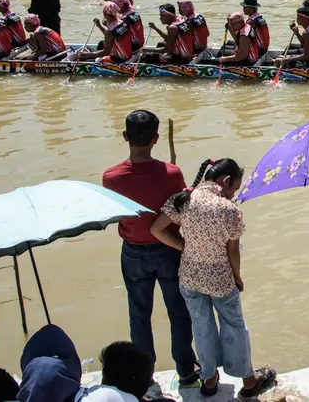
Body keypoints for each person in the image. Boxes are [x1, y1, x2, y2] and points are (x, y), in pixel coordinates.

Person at [151, 158, 277, 398]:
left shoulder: (184, 199)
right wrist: (237, 277)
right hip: (220, 278)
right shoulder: (229, 210)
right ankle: (249, 381)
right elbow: (232, 251)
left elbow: (156, 229)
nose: (233, 195)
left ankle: (209, 381)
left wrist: (181, 246)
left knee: (201, 326)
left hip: (189, 277)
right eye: (234, 188)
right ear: (226, 181)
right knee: (234, 326)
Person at [100, 110, 199, 388]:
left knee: (139, 314)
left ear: (124, 137)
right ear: (156, 139)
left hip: (133, 251)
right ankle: (186, 370)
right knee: (178, 312)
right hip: (168, 250)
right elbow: (181, 211)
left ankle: (142, 375)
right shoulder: (172, 172)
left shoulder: (111, 177)